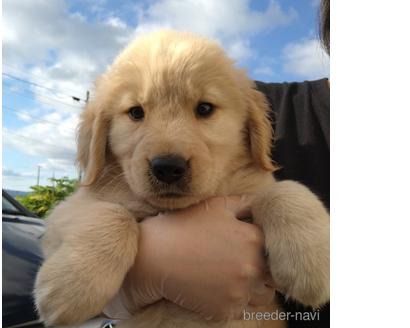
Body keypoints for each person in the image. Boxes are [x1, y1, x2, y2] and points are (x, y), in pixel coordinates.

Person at [104, 1, 330, 327]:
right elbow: (83, 290)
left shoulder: (242, 110)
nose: (170, 148)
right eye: (136, 113)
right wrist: (140, 276)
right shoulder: (274, 105)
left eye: (204, 109)